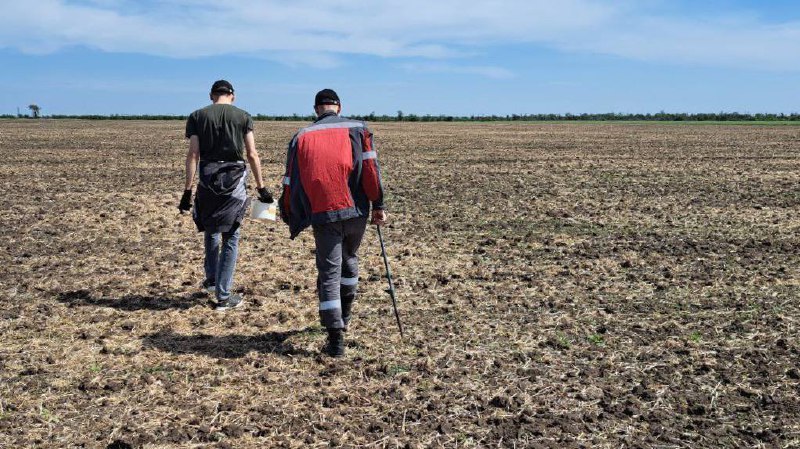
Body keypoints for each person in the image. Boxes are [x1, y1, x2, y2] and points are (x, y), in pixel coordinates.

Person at [280, 88, 387, 357]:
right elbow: (371, 170)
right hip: (357, 210)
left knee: (329, 272)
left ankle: (335, 338)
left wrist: (287, 210)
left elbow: (290, 179)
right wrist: (379, 204)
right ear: (338, 107)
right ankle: (346, 317)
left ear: (317, 109)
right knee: (349, 258)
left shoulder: (301, 136)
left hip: (324, 213)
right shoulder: (359, 129)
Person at [178, 80, 273, 311]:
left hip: (207, 178)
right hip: (235, 179)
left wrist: (187, 191)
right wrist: (262, 187)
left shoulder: (197, 116)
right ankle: (223, 296)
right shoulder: (243, 116)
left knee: (211, 230)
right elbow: (251, 153)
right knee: (231, 234)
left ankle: (212, 280)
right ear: (233, 95)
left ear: (212, 95)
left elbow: (193, 155)